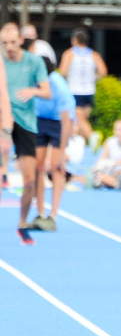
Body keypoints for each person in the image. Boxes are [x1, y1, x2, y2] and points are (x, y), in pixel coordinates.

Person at [1, 22, 52, 245]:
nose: (9, 47)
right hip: (3, 118)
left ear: (21, 40)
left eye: (13, 42)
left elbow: (47, 92)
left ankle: (22, 223)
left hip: (26, 122)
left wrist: (32, 90)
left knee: (30, 180)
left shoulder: (34, 62)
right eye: (4, 43)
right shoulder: (1, 62)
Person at [28, 57, 74, 231]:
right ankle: (40, 212)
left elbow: (66, 121)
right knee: (37, 167)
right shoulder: (33, 80)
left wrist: (62, 152)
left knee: (56, 167)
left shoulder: (59, 86)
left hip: (58, 123)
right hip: (40, 120)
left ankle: (53, 215)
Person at [58, 27, 107, 149]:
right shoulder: (93, 54)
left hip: (75, 91)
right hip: (89, 91)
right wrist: (93, 79)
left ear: (74, 40)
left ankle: (92, 136)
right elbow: (103, 71)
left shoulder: (70, 53)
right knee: (81, 122)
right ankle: (82, 150)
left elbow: (62, 71)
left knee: (79, 121)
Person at [91, 119, 121, 190]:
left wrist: (115, 164)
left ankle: (120, 184)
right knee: (99, 176)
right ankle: (118, 184)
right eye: (117, 130)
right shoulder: (109, 142)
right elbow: (103, 158)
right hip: (112, 173)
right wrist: (97, 167)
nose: (119, 132)